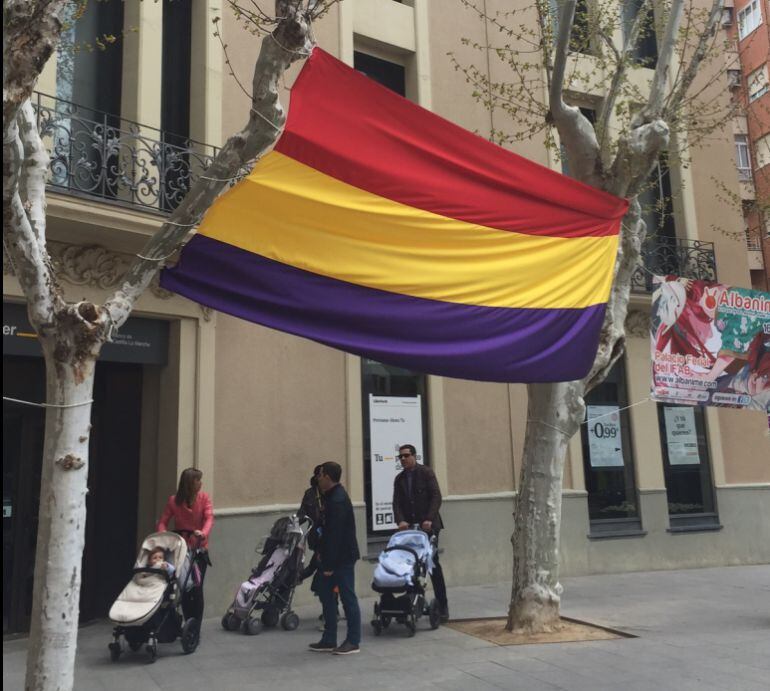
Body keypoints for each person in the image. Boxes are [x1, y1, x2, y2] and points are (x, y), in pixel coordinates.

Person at [309, 461, 361, 655]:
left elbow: (335, 535)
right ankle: (329, 638)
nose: (318, 478)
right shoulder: (329, 497)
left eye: (320, 475)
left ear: (328, 477)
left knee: (348, 597)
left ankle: (353, 641)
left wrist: (329, 564)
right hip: (330, 557)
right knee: (326, 595)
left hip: (341, 558)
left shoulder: (337, 500)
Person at [392, 444, 449, 622]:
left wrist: (429, 519)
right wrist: (400, 520)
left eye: (406, 456)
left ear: (414, 456)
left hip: (429, 527)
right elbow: (397, 503)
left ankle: (442, 606)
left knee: (431, 564)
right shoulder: (399, 479)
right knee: (411, 564)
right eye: (400, 457)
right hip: (411, 528)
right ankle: (412, 603)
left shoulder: (426, 473)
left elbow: (436, 497)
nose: (403, 459)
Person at [157, 467, 214, 620]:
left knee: (197, 588)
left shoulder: (204, 498)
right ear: (190, 483)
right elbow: (163, 522)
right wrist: (164, 534)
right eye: (198, 480)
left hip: (199, 549)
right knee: (184, 587)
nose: (201, 483)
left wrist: (203, 533)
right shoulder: (173, 501)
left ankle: (196, 626)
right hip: (180, 549)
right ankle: (188, 621)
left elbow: (209, 518)